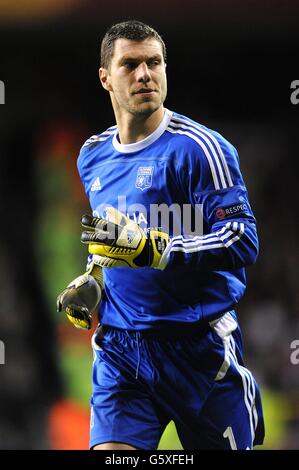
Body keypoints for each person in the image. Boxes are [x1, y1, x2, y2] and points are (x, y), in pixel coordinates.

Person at [57, 20, 265, 450]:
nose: (144, 74)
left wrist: (161, 250)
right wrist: (93, 279)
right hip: (122, 351)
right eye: (130, 64)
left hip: (199, 350)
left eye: (154, 63)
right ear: (105, 78)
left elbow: (242, 238)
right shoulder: (91, 156)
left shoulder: (202, 149)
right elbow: (113, 239)